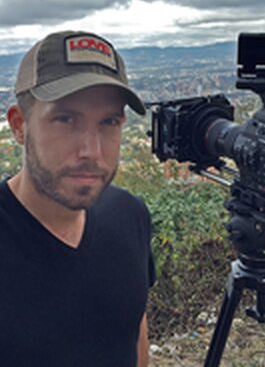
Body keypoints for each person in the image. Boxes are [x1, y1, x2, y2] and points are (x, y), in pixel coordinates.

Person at [0, 31, 156, 367]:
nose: (91, 151)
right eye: (66, 119)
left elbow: (132, 326)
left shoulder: (130, 216)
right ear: (19, 125)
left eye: (108, 122)